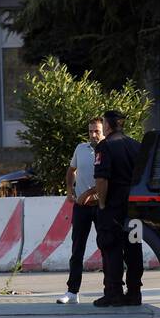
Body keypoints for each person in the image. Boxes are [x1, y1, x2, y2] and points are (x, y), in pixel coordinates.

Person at [93, 109, 143, 307]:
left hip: (113, 205)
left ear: (108, 125)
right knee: (133, 247)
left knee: (111, 246)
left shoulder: (104, 147)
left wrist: (103, 204)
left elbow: (102, 179)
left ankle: (113, 293)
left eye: (104, 123)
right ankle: (134, 292)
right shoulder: (136, 146)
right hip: (134, 207)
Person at [56, 117, 105, 305]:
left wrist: (95, 196)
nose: (93, 135)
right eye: (91, 131)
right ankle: (72, 291)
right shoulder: (81, 148)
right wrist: (70, 191)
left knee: (107, 248)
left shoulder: (108, 149)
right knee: (77, 249)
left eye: (97, 131)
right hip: (81, 207)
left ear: (104, 131)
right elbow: (71, 170)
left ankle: (112, 289)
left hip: (102, 206)